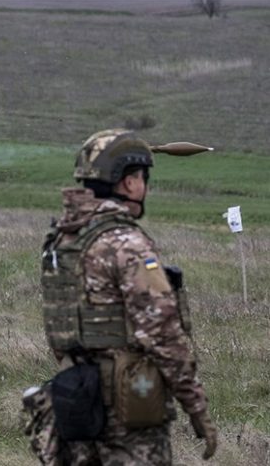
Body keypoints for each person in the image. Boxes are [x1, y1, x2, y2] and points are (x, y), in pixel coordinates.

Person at [26, 129, 218, 464]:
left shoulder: (62, 239)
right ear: (129, 183)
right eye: (142, 177)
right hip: (130, 407)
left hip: (74, 401)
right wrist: (196, 406)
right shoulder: (126, 243)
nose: (144, 185)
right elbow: (164, 334)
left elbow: (61, 331)